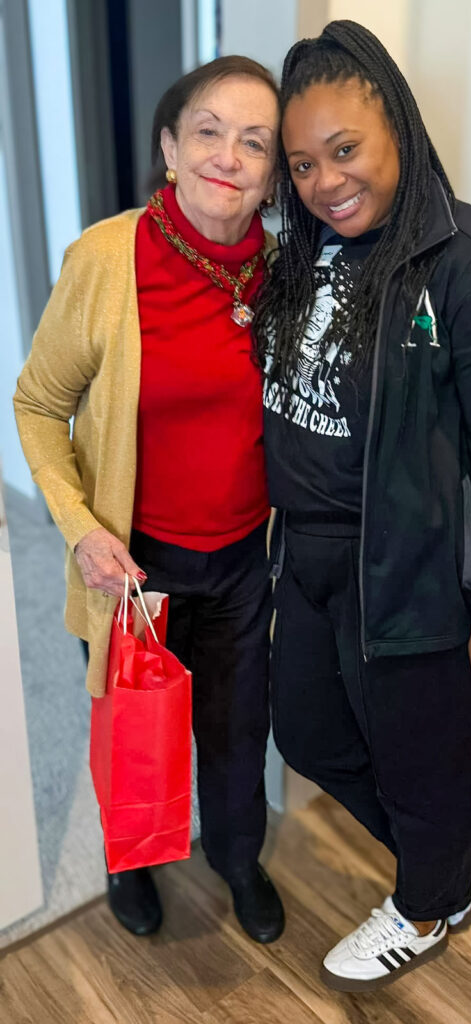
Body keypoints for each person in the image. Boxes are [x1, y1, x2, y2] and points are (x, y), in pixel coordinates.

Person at [254, 20, 471, 989]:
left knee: (419, 765)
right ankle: (447, 860)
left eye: (345, 150)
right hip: (303, 557)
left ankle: (428, 899)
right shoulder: (305, 255)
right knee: (305, 733)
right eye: (301, 163)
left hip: (408, 574)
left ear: (401, 130)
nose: (324, 181)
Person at [14, 56, 285, 945]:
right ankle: (132, 862)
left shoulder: (284, 276)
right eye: (208, 131)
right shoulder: (105, 257)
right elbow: (38, 404)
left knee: (239, 732)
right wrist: (83, 529)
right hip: (136, 562)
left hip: (246, 559)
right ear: (170, 145)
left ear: (274, 172)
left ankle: (238, 858)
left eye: (256, 143)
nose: (229, 156)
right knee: (137, 732)